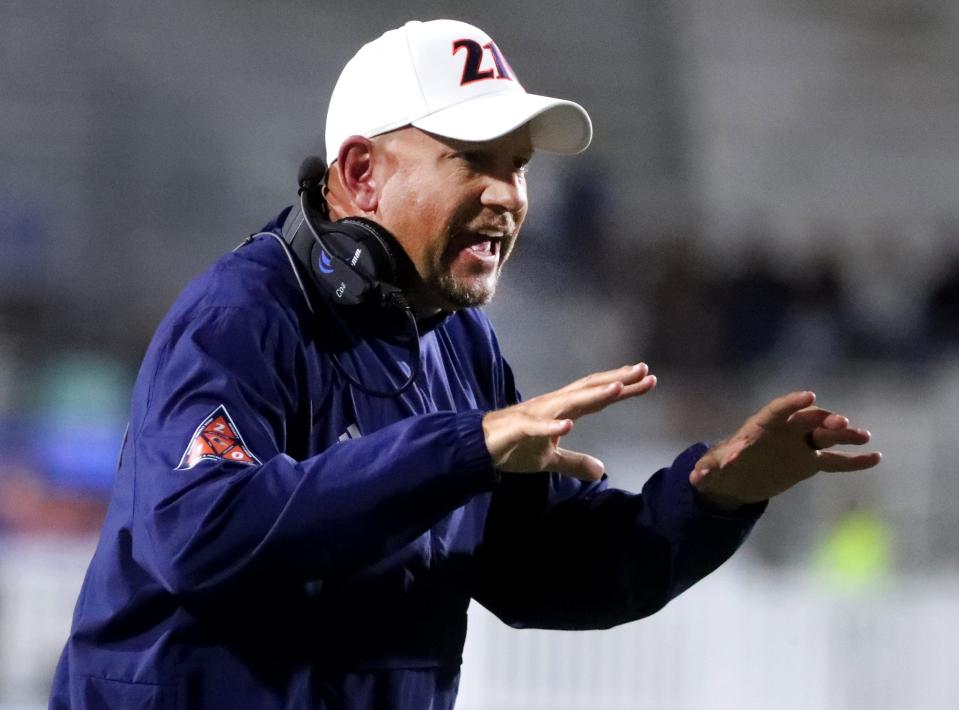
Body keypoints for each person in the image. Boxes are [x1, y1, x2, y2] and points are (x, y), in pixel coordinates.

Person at [49, 19, 880, 710]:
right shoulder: (243, 312)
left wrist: (716, 496)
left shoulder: (457, 340)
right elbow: (204, 534)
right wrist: (464, 448)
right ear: (362, 174)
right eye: (473, 157)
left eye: (517, 165)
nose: (509, 193)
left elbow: (542, 572)